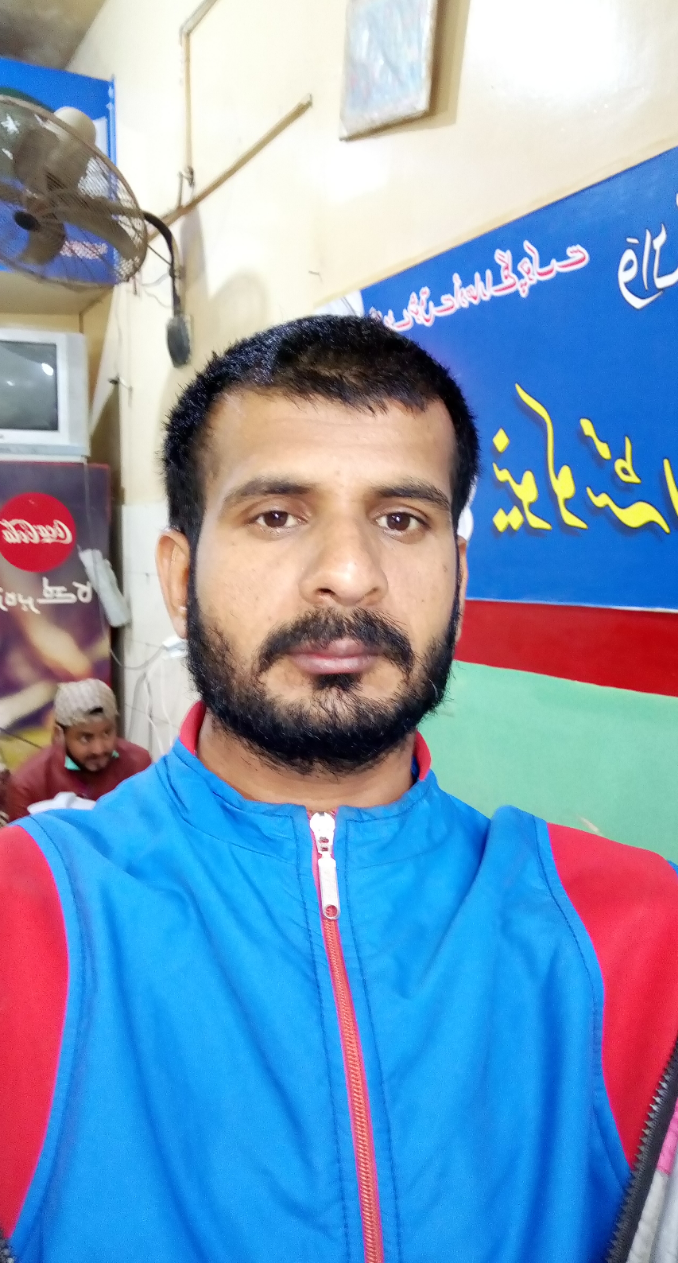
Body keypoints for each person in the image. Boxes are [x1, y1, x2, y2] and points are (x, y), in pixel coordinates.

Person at [1, 315, 677, 1263]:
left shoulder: (636, 934)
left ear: (459, 576)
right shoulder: (29, 920)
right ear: (180, 577)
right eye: (277, 515)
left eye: (402, 520)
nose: (350, 576)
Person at [4, 678, 151, 822]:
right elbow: (22, 838)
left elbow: (152, 826)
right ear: (59, 734)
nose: (99, 749)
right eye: (85, 738)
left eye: (107, 733)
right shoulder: (28, 785)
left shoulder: (138, 764)